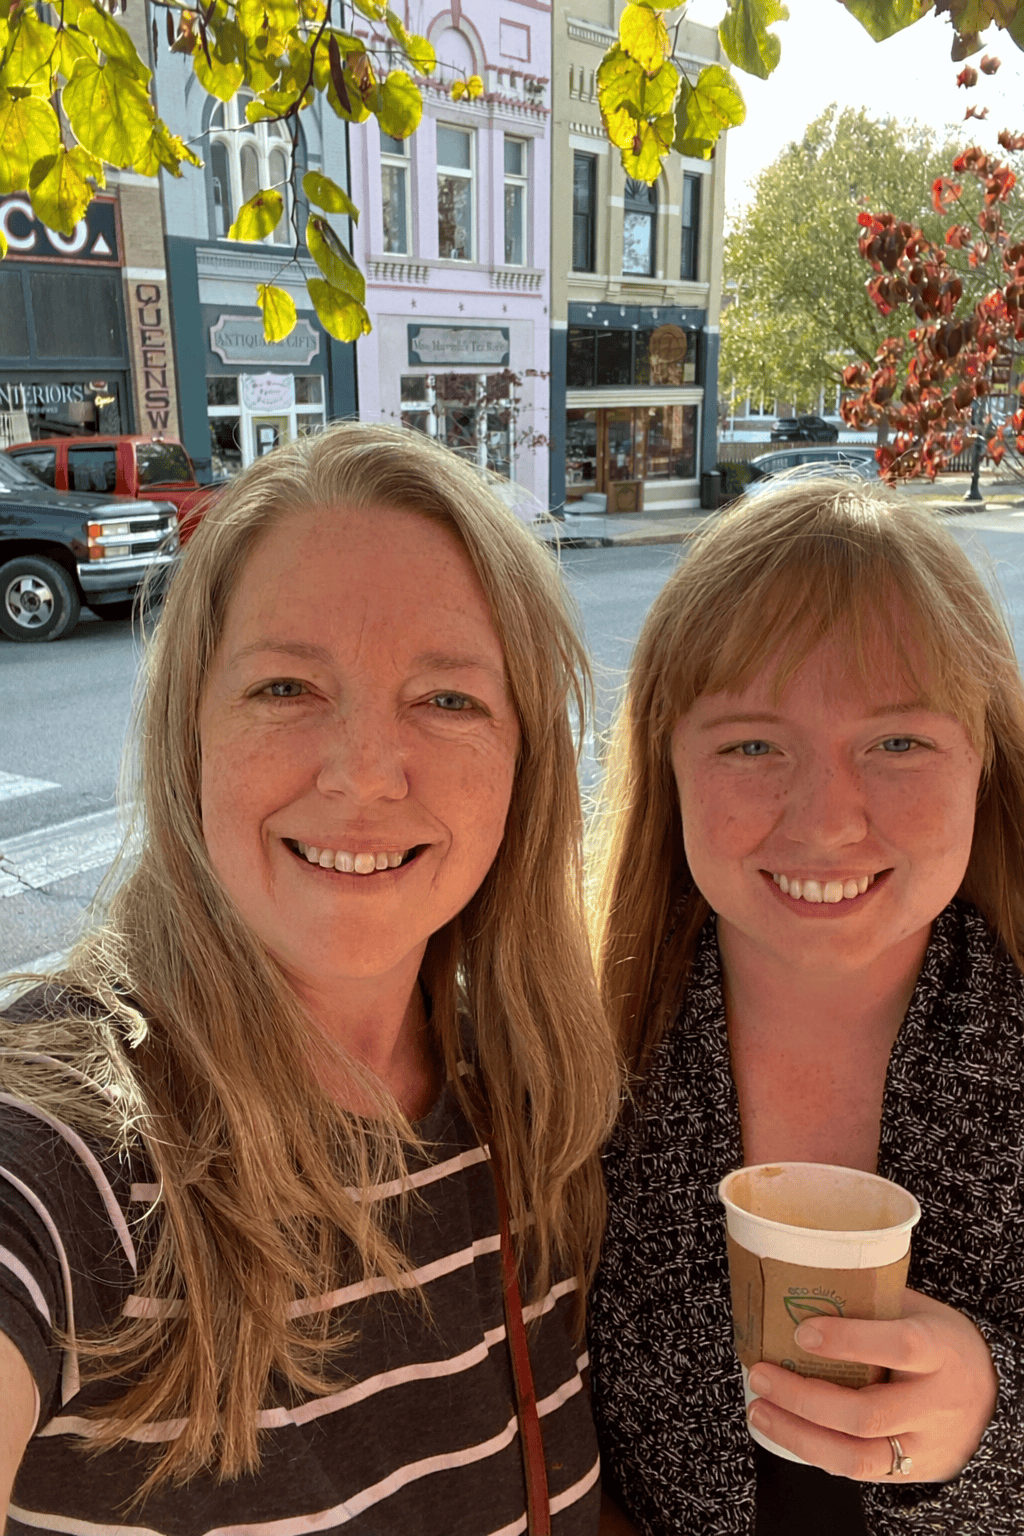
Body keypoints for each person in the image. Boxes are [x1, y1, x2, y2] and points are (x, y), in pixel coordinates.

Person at [0, 422, 619, 1533]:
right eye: (286, 687)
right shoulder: (68, 1134)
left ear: (525, 764)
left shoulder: (526, 1104)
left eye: (447, 700)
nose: (363, 773)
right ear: (190, 731)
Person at [586, 478, 1024, 1536]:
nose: (825, 822)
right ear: (669, 771)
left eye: (896, 743)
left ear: (984, 763)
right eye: (749, 744)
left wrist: (992, 1417)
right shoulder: (575, 1045)